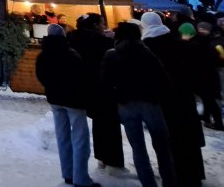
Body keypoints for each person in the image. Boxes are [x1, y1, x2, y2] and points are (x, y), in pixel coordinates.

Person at [102, 22, 178, 187]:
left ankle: (148, 183)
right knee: (162, 146)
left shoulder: (111, 54)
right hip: (150, 103)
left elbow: (106, 82)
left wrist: (117, 97)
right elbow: (164, 78)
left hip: (126, 105)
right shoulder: (146, 52)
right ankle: (169, 181)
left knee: (138, 148)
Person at [141, 12, 205, 187]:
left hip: (163, 99)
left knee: (170, 137)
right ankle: (194, 174)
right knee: (187, 137)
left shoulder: (146, 47)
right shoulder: (179, 43)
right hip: (184, 96)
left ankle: (175, 174)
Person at [36, 24, 99, 187]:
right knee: (80, 138)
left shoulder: (43, 55)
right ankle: (81, 178)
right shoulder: (71, 54)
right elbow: (82, 77)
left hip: (55, 100)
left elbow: (41, 76)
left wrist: (52, 87)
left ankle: (68, 173)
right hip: (74, 100)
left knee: (62, 136)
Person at [67, 12, 124, 171]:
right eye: (101, 23)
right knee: (108, 123)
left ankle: (101, 158)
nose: (103, 26)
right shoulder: (100, 42)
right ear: (94, 26)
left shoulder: (71, 39)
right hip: (102, 88)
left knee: (98, 123)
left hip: (80, 87)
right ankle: (112, 161)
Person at [190, 21, 224, 131]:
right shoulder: (208, 41)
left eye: (203, 29)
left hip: (206, 74)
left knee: (210, 99)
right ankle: (207, 116)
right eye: (200, 29)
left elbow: (219, 58)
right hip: (206, 74)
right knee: (207, 98)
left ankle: (218, 122)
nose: (201, 31)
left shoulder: (209, 43)